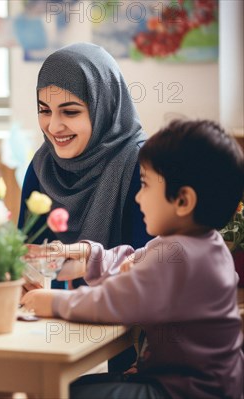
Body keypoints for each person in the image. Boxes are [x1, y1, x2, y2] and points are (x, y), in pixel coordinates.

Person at [21, 119, 244, 398]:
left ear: (183, 201)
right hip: (204, 385)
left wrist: (52, 302)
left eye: (146, 185)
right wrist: (88, 251)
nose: (138, 197)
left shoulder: (177, 254)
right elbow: (133, 260)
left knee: (55, 390)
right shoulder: (207, 245)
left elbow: (110, 302)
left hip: (183, 391)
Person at [19, 42, 152, 270]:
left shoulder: (142, 166)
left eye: (70, 112)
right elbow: (27, 257)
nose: (53, 126)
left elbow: (148, 269)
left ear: (105, 107)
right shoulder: (43, 166)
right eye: (44, 110)